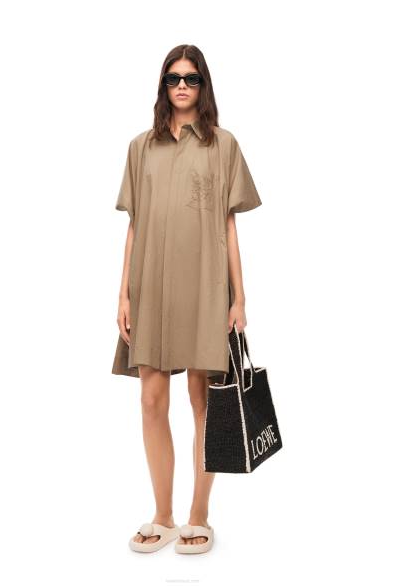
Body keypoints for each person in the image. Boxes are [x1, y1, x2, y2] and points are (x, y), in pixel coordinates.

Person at [112, 44, 262, 554]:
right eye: (173, 78)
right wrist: (123, 293)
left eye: (191, 78)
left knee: (203, 402)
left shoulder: (223, 145)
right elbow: (135, 225)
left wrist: (239, 297)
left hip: (204, 285)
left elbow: (229, 225)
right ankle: (163, 514)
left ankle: (199, 515)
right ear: (163, 85)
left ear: (203, 85)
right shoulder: (140, 147)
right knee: (151, 399)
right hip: (150, 286)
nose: (182, 85)